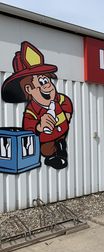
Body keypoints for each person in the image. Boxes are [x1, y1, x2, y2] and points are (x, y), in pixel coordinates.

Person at [1, 41, 73, 170]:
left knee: (60, 143)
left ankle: (61, 149)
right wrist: (39, 126)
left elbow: (66, 101)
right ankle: (53, 156)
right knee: (46, 150)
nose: (48, 85)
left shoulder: (58, 99)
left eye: (47, 80)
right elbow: (28, 126)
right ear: (29, 89)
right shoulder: (32, 109)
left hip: (62, 132)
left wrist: (67, 114)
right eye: (42, 82)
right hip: (47, 138)